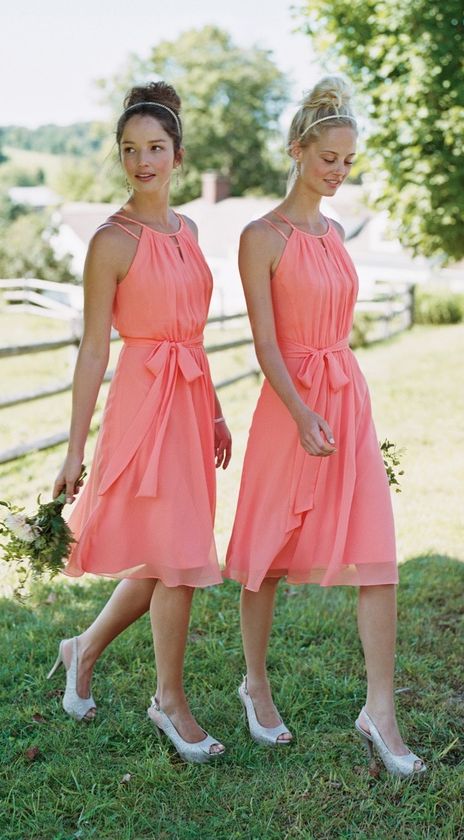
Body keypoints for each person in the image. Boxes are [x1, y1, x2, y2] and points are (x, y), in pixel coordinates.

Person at [224, 76, 425, 777]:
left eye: (347, 161)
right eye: (329, 159)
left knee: (378, 556)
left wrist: (338, 402)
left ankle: (380, 710)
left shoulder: (337, 232)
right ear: (297, 149)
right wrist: (301, 409)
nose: (339, 172)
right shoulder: (260, 236)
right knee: (265, 554)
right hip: (290, 406)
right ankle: (255, 681)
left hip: (347, 398)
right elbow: (266, 342)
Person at [48, 81, 232, 764]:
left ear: (178, 154)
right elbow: (95, 347)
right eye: (130, 150)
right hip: (143, 405)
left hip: (188, 404)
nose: (142, 161)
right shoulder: (111, 241)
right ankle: (169, 701)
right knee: (177, 558)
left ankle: (82, 649)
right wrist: (74, 450)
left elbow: (196, 333)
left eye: (155, 147)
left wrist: (213, 409)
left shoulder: (188, 231)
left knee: (172, 551)